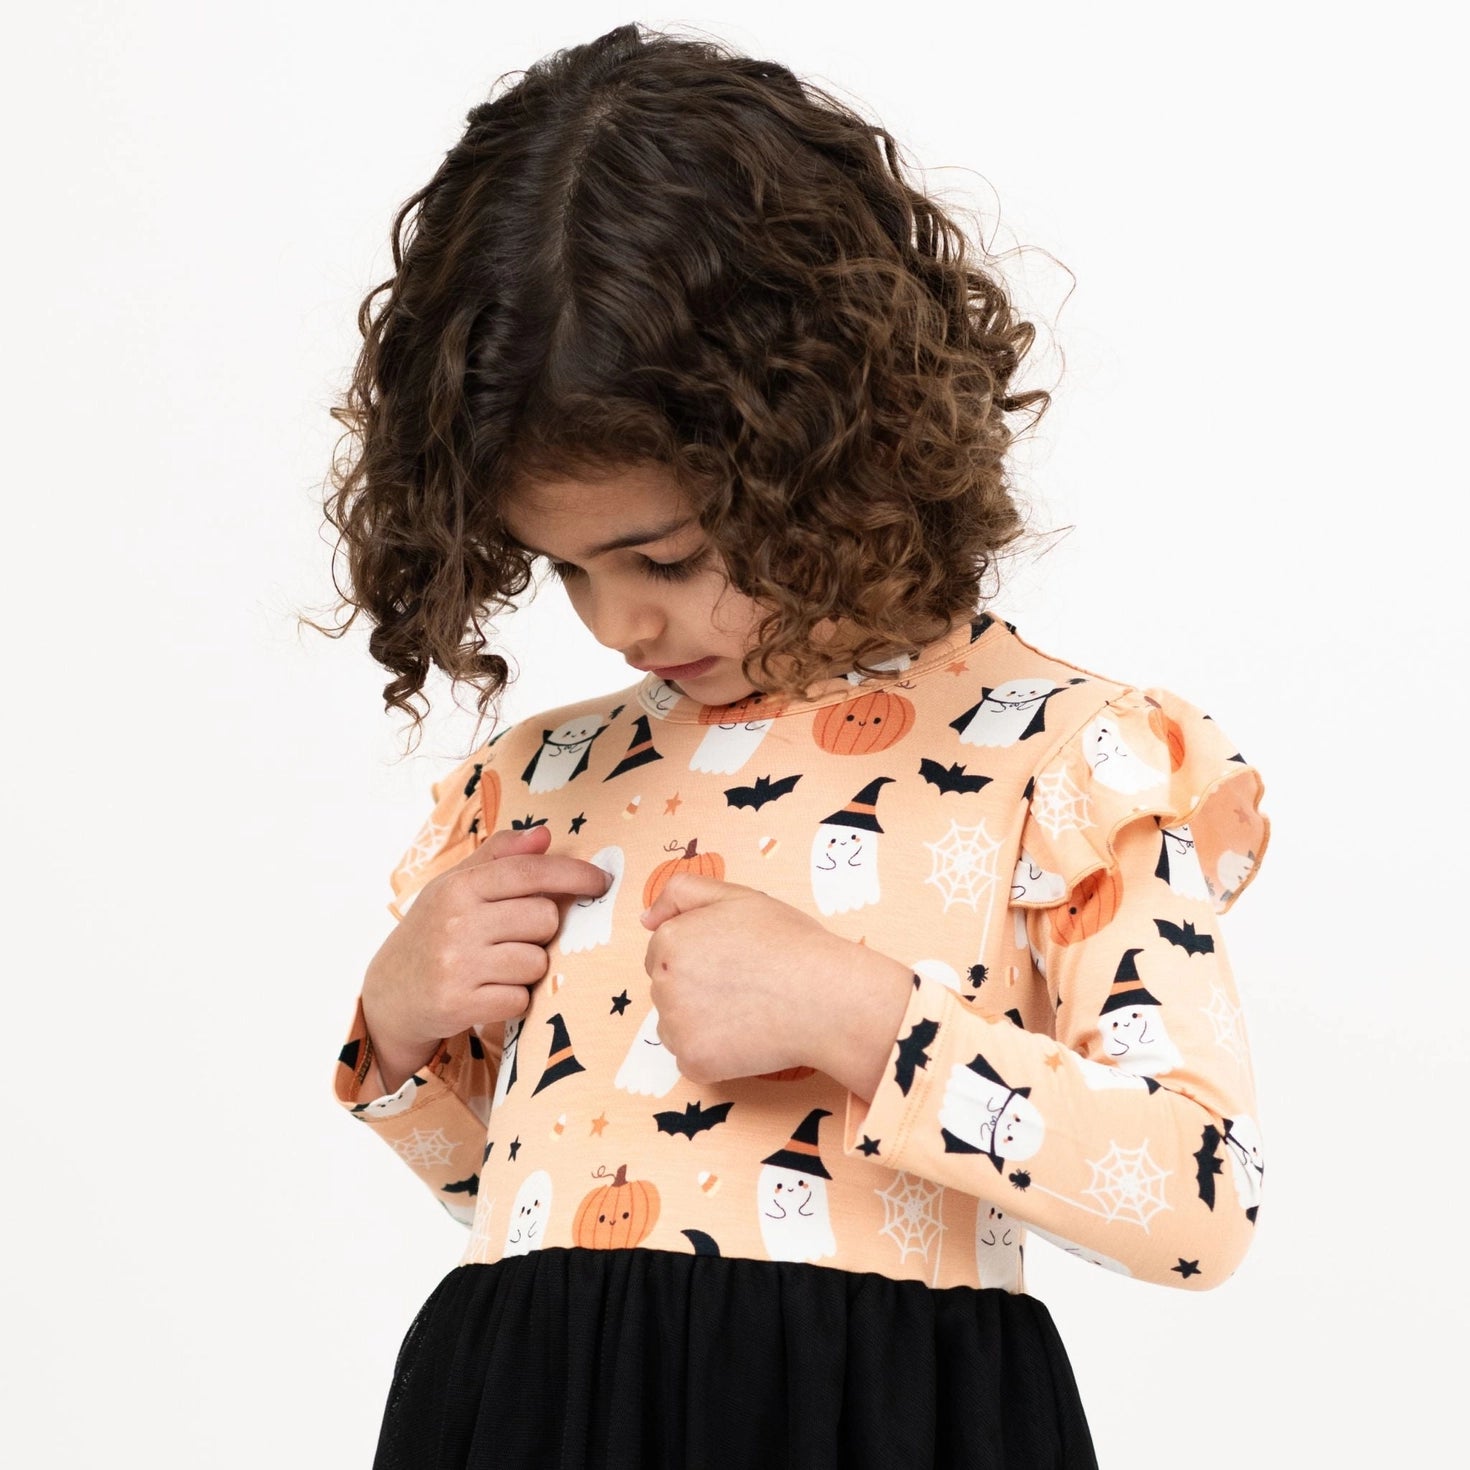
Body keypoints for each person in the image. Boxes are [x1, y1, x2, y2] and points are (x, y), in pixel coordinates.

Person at [315, 22, 1270, 1468]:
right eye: (565, 569)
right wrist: (399, 1029)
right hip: (523, 1411)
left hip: (877, 1417)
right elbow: (512, 1209)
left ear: (832, 444)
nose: (620, 624)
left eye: (668, 557)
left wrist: (865, 1022)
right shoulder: (538, 782)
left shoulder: (1069, 759)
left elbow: (1198, 1204)